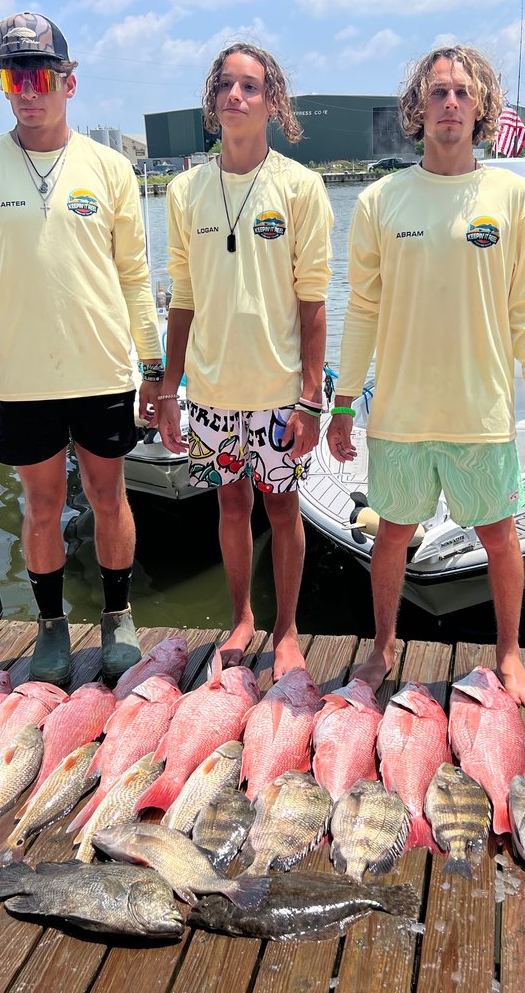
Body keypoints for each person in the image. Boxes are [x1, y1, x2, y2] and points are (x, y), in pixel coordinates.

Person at [327, 45, 525, 707]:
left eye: (463, 92)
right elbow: (363, 311)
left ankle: (510, 655)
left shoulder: (513, 197)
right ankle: (380, 649)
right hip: (400, 411)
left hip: (480, 410)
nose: (450, 103)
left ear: (483, 105)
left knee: (498, 534)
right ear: (417, 108)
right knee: (392, 533)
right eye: (437, 92)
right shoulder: (380, 201)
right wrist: (342, 403)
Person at [0, 12, 163, 686]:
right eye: (14, 77)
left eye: (39, 76)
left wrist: (152, 369)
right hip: (23, 376)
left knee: (107, 494)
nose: (26, 91)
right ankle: (49, 627)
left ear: (69, 82)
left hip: (102, 367)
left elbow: (135, 275)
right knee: (40, 507)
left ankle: (118, 615)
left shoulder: (109, 168)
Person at [158, 43, 333, 674]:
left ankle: (286, 628)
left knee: (283, 508)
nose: (237, 95)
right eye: (226, 85)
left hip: (280, 389)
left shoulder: (301, 188)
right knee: (231, 504)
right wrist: (167, 386)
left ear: (272, 102)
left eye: (251, 87)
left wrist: (313, 398)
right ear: (213, 101)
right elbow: (181, 297)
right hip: (209, 391)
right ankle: (241, 617)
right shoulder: (184, 191)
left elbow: (314, 305)